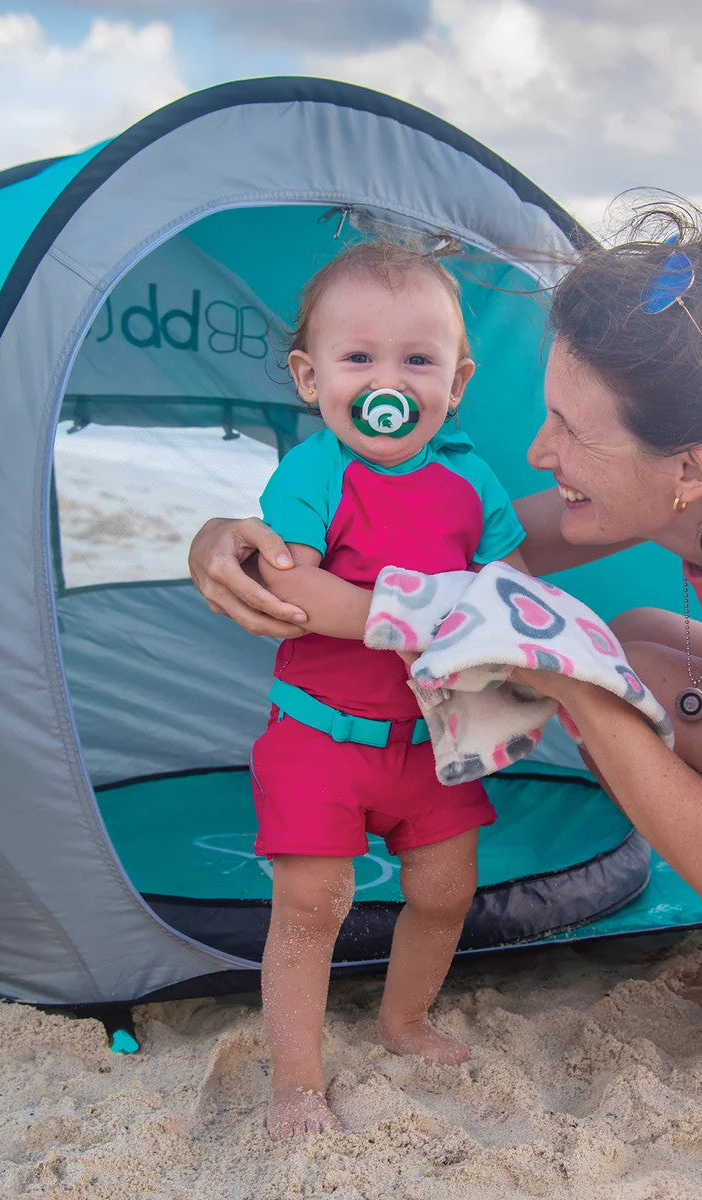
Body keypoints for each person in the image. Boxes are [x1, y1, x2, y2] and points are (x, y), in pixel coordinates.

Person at [189, 203, 702, 1112]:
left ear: (687, 470)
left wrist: (582, 698)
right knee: (642, 644)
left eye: (572, 432)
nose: (542, 453)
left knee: (633, 679)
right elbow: (467, 554)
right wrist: (225, 538)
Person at [242, 240, 528, 1139]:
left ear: (458, 381)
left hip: (429, 743)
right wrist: (410, 614)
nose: (386, 381)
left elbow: (505, 585)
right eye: (357, 358)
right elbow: (294, 587)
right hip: (318, 740)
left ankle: (402, 1019)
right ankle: (295, 1082)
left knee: (445, 890)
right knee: (310, 908)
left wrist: (501, 643)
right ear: (309, 374)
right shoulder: (313, 475)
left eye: (417, 359)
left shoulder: (468, 479)